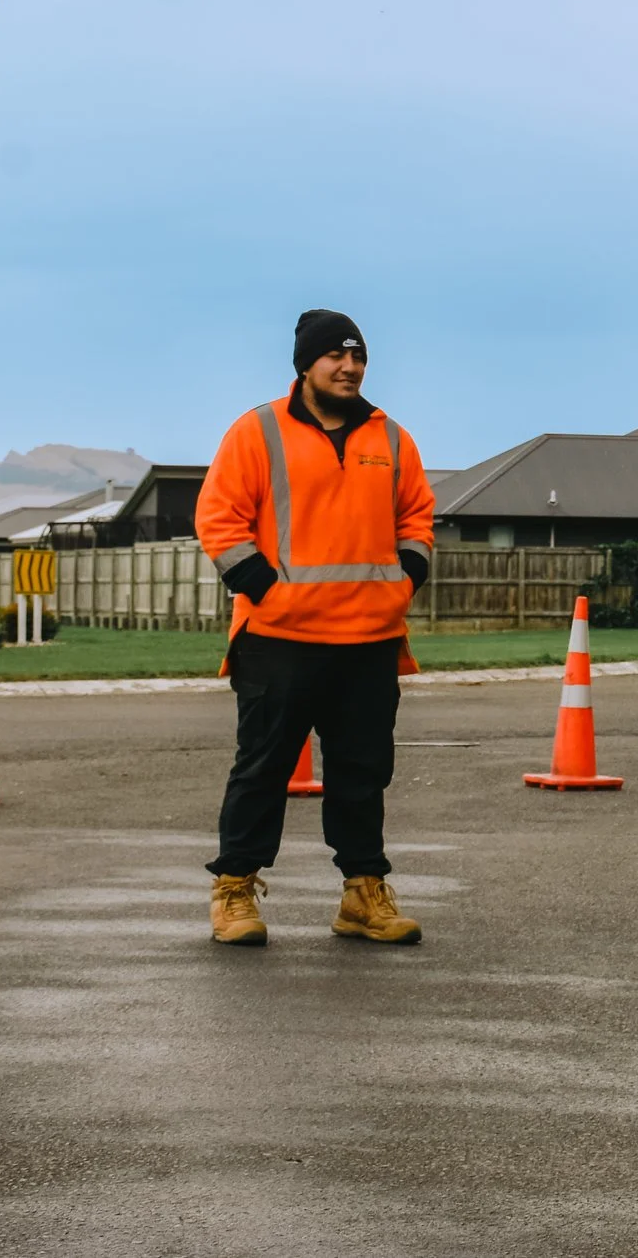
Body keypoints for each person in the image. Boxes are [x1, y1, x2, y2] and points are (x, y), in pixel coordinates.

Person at [195, 310, 436, 947]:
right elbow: (218, 518)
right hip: (279, 638)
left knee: (363, 775)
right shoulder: (257, 431)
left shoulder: (392, 439)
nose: (350, 368)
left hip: (368, 640)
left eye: (359, 357)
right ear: (306, 363)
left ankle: (363, 895)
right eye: (336, 356)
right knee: (261, 771)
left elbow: (417, 518)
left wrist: (404, 581)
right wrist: (266, 590)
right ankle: (234, 891)